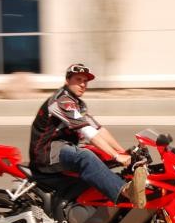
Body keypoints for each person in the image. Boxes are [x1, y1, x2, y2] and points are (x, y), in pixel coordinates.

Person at [29, 63, 147, 208]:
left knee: (102, 155)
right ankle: (125, 191)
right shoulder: (62, 101)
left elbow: (98, 130)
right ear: (67, 80)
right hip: (46, 153)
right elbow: (87, 131)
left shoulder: (78, 104)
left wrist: (122, 152)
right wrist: (117, 156)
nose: (83, 84)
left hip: (63, 148)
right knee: (85, 156)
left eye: (85, 81)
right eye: (78, 79)